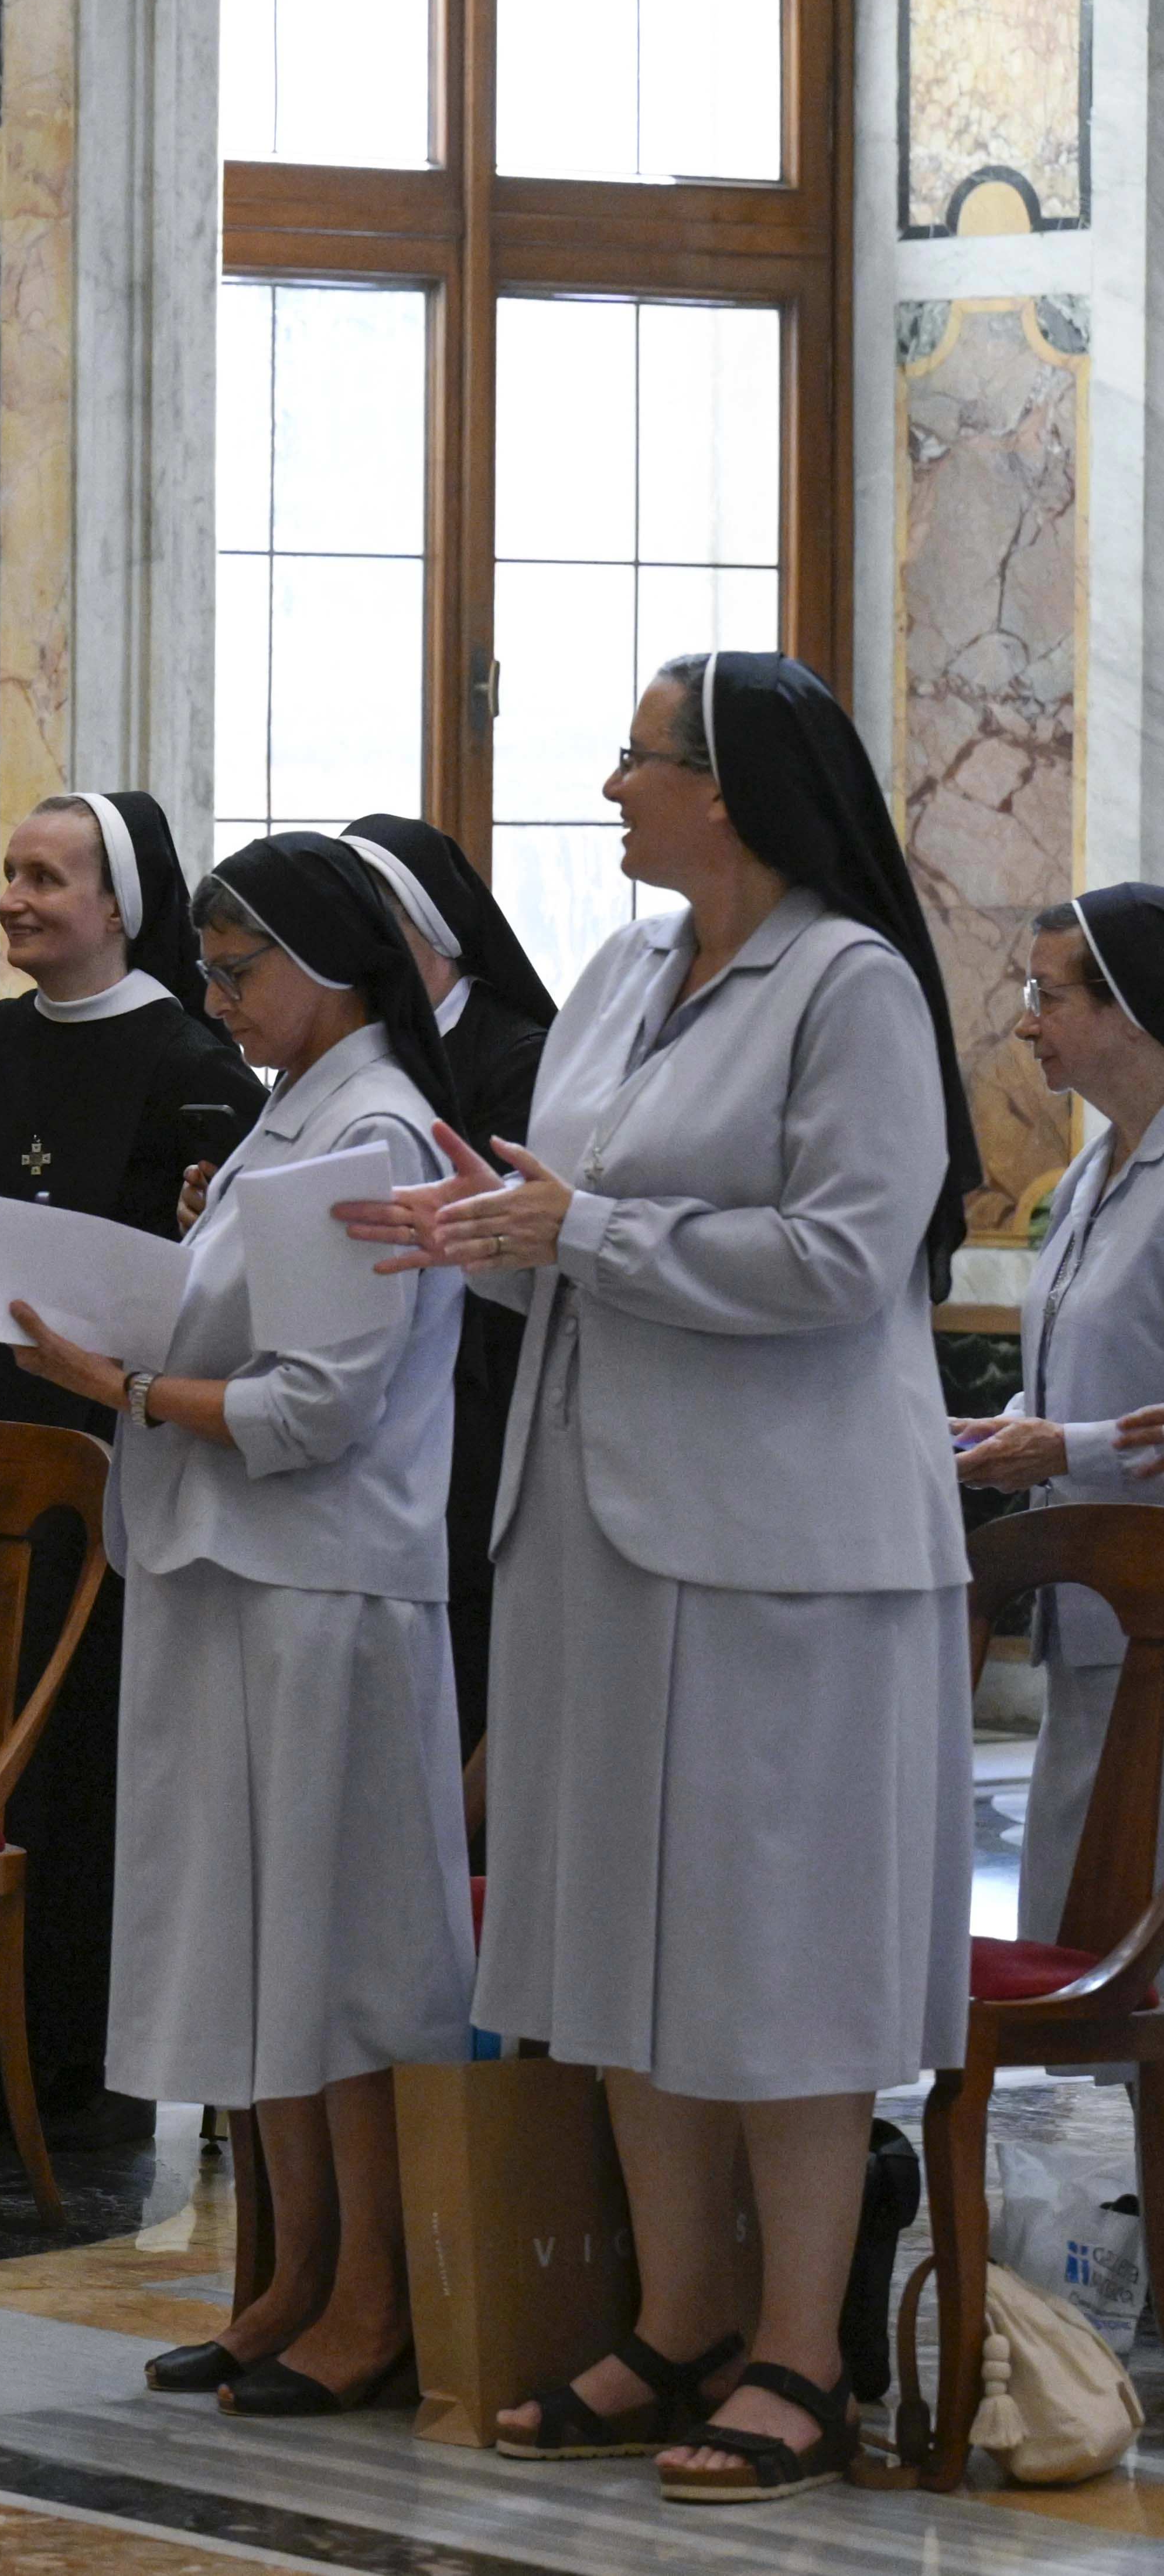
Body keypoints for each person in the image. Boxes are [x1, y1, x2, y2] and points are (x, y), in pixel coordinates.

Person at [353, 652, 975, 2503]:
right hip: (596, 1521)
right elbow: (585, 1223)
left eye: (637, 760)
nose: (610, 787)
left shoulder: (846, 983)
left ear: (729, 790)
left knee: (772, 1959)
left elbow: (847, 1261)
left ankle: (798, 2349)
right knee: (611, 1937)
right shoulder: (623, 974)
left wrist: (581, 1228)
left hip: (784, 1550)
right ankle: (677, 2312)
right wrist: (482, 1230)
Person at [7, 832, 475, 2417]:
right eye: (202, 970)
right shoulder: (295, 1114)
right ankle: (282, 2275)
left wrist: (119, 1383)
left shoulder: (377, 1131)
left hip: (320, 1589)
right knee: (257, 1946)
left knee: (335, 1958)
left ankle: (371, 2294)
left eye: (235, 969)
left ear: (333, 965)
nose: (214, 1001)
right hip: (229, 1575)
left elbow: (315, 1408)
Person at [0, 792, 256, 2145]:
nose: (16, 899)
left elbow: (202, 1282)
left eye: (46, 878)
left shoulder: (193, 1061)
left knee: (73, 1770)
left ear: (118, 905)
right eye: (9, 875)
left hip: (102, 1470)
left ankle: (79, 2075)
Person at [951, 887, 1164, 1943]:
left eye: (1047, 993)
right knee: (1083, 1929)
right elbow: (1102, 1353)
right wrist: (1010, 1429)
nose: (1026, 1020)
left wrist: (1063, 1446)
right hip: (1096, 1613)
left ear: (1129, 1004)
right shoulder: (1089, 1171)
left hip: (1153, 1605)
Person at [342, 813, 558, 1750]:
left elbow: (530, 1222)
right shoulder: (354, 1049)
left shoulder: (517, 1054)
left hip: (486, 1393)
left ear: (430, 927)